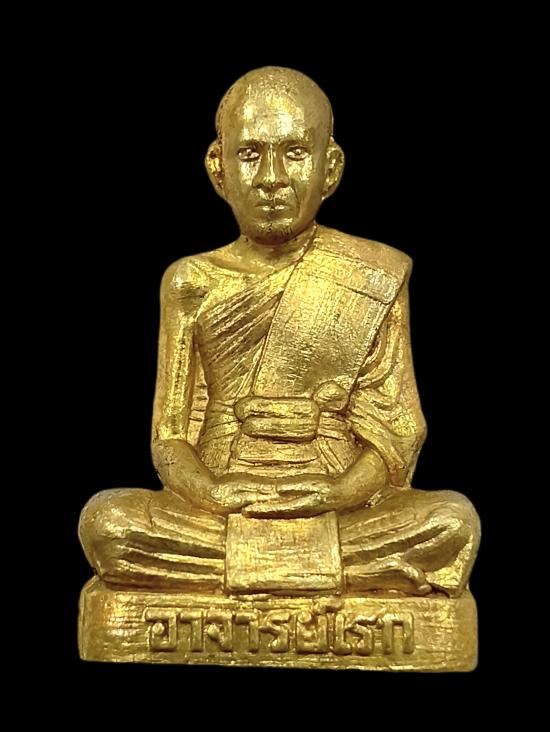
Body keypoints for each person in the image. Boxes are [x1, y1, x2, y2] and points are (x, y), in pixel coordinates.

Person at [79, 66, 480, 598]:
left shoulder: (374, 273)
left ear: (330, 169)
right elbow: (170, 437)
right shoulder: (190, 281)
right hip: (225, 499)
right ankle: (343, 573)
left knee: (452, 521)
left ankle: (254, 571)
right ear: (218, 168)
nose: (272, 178)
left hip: (334, 498)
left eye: (294, 153)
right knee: (109, 523)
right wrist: (214, 493)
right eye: (250, 154)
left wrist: (335, 492)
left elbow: (397, 432)